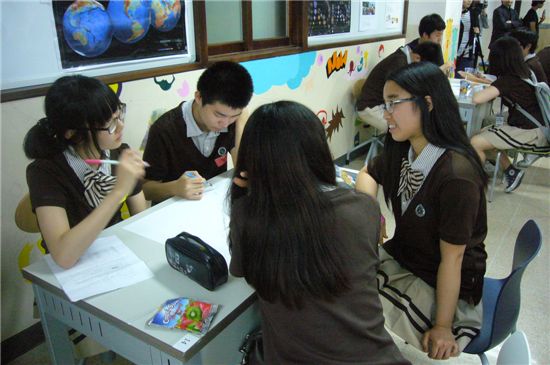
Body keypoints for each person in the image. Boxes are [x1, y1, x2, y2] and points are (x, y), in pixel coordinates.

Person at [229, 101, 410, 365]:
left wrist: (243, 197)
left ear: (253, 160)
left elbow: (240, 270)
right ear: (317, 149)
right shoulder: (363, 207)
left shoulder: (250, 216)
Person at [355, 62, 488, 360]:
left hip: (445, 287)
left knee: (349, 291)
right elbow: (366, 173)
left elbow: (453, 260)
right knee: (340, 268)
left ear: (427, 104)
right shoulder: (405, 148)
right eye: (384, 104)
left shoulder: (457, 174)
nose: (385, 113)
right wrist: (372, 215)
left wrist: (442, 326)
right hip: (410, 259)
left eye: (393, 104)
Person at [24, 75, 147, 269]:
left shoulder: (119, 153)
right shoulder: (45, 172)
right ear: (72, 132)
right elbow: (63, 255)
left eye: (119, 115)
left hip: (118, 260)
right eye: (110, 124)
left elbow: (142, 220)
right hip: (73, 273)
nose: (121, 127)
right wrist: (117, 192)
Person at [142, 61, 253, 204]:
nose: (225, 123)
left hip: (212, 205)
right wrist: (175, 188)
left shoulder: (232, 122)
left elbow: (242, 171)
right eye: (219, 115)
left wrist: (241, 121)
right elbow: (146, 190)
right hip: (174, 211)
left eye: (234, 116)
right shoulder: (164, 129)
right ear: (199, 97)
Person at [470, 37, 550, 192]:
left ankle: (475, 184)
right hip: (531, 126)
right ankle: (512, 172)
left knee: (475, 142)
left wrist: (474, 87)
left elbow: (477, 98)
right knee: (482, 135)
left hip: (531, 131)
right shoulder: (524, 72)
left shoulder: (507, 81)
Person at [357, 41, 447, 134]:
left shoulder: (405, 58)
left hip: (386, 105)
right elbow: (400, 95)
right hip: (372, 107)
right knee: (406, 130)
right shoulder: (399, 63)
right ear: (417, 58)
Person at [456, 0, 481, 73]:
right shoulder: (453, 12)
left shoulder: (473, 13)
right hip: (453, 52)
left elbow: (477, 29)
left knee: (463, 78)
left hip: (466, 52)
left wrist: (477, 30)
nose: (469, 1)